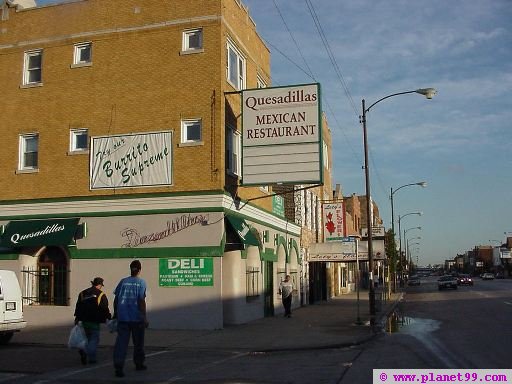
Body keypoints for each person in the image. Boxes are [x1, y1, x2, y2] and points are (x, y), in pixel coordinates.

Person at [113, 260, 148, 378]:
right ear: (139, 270)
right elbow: (141, 301)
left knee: (121, 343)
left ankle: (118, 367)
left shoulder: (123, 282)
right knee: (138, 343)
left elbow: (116, 299)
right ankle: (139, 363)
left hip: (123, 317)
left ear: (130, 269)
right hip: (136, 318)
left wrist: (116, 313)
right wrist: (144, 317)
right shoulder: (141, 283)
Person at [74, 277, 112, 365]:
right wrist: (108, 317)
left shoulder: (83, 293)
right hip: (94, 321)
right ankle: (91, 357)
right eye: (101, 285)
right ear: (99, 285)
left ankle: (84, 350)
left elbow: (78, 306)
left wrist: (77, 318)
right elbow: (104, 308)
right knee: (94, 339)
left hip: (83, 321)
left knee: (85, 338)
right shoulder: (101, 294)